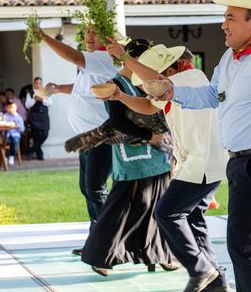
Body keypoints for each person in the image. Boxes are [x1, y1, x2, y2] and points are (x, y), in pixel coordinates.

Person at [124, 0, 251, 292]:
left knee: (241, 242)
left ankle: (208, 275)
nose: (223, 24)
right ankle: (212, 278)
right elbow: (212, 95)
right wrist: (171, 92)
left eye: (230, 17)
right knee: (239, 242)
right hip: (238, 160)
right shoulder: (232, 57)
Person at [108, 43, 232, 291]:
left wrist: (124, 57)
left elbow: (156, 83)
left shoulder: (190, 77)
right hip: (202, 163)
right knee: (193, 218)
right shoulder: (171, 88)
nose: (146, 88)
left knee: (167, 213)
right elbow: (147, 106)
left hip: (202, 163)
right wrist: (121, 97)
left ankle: (201, 270)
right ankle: (216, 280)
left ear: (169, 69)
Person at [81, 39, 177, 277]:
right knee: (121, 208)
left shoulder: (145, 83)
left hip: (156, 156)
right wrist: (148, 136)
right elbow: (118, 122)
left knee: (156, 206)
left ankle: (160, 254)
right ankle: (101, 256)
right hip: (131, 157)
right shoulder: (116, 84)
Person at [40, 26, 117, 255]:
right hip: (86, 138)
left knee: (95, 188)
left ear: (107, 37)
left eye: (95, 32)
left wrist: (44, 37)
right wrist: (59, 89)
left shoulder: (103, 57)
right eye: (87, 33)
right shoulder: (93, 62)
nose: (89, 37)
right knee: (87, 187)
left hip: (102, 136)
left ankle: (106, 242)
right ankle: (96, 240)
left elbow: (72, 55)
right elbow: (84, 88)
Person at [25, 77, 52, 160]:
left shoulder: (46, 91)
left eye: (40, 83)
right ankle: (40, 155)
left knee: (45, 135)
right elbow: (27, 105)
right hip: (34, 117)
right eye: (36, 83)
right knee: (35, 137)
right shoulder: (30, 93)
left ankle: (30, 150)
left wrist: (42, 99)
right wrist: (35, 98)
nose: (38, 85)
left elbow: (50, 103)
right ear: (34, 84)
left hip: (43, 117)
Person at [3, 99, 24, 166]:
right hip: (6, 134)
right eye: (9, 107)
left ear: (16, 108)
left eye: (12, 107)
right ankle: (5, 157)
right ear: (6, 108)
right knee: (4, 142)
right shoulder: (4, 116)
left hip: (15, 134)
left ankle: (12, 156)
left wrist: (16, 126)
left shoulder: (18, 117)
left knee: (15, 141)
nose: (11, 109)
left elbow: (22, 129)